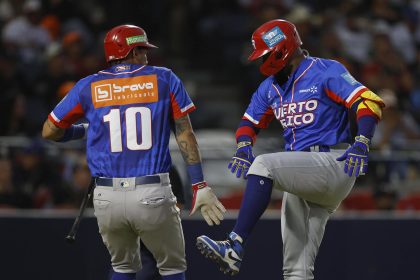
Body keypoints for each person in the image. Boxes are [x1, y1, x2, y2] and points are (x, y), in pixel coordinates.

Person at [196, 19, 384, 279]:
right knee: (296, 270)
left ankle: (234, 244)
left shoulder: (325, 70)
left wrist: (362, 140)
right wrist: (242, 146)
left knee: (263, 165)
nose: (261, 64)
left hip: (334, 161)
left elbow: (367, 102)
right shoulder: (270, 86)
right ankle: (239, 249)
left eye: (264, 56)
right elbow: (248, 123)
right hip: (303, 172)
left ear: (281, 49)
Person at [42, 24, 226, 280]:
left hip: (106, 197)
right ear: (131, 51)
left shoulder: (88, 85)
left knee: (122, 268)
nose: (146, 54)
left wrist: (83, 131)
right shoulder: (164, 78)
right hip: (151, 191)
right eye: (141, 49)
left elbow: (49, 131)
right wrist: (199, 183)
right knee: (172, 268)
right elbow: (185, 133)